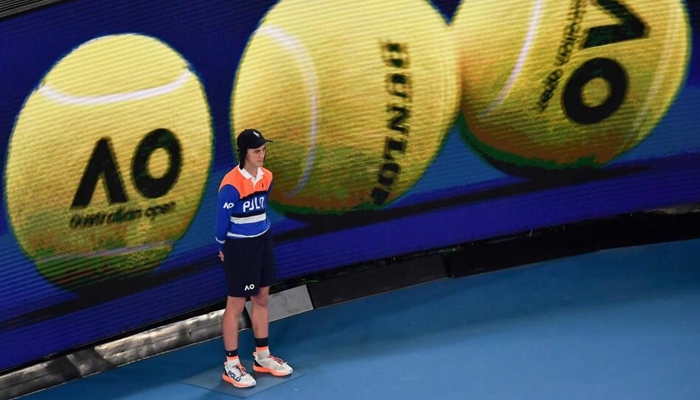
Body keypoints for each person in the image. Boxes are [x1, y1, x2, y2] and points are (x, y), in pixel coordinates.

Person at [214, 128, 293, 388]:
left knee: (261, 297)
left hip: (263, 242)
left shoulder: (267, 177)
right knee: (235, 305)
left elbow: (261, 209)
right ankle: (231, 364)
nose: (262, 155)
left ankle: (262, 357)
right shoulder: (230, 184)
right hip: (239, 248)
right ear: (244, 153)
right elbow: (220, 223)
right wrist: (223, 246)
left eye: (263, 150)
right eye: (256, 151)